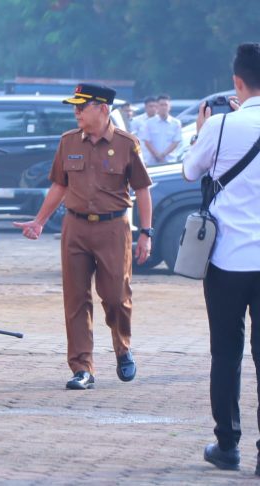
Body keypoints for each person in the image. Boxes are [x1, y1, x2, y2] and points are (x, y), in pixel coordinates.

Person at [13, 83, 153, 390]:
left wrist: (145, 233)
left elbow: (142, 189)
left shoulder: (127, 144)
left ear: (103, 109)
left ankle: (123, 348)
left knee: (116, 297)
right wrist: (39, 221)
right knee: (75, 299)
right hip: (75, 228)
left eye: (81, 106)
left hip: (113, 228)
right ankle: (82, 368)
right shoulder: (68, 142)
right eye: (74, 106)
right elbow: (59, 186)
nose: (75, 112)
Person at [182, 43, 260, 475]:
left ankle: (227, 445)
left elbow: (190, 172)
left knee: (226, 353)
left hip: (228, 258)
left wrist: (202, 131)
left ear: (237, 82)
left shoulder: (222, 126)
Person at [139, 94, 182, 165]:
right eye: (161, 105)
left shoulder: (176, 123)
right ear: (157, 107)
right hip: (152, 162)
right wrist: (157, 155)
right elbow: (147, 142)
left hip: (169, 161)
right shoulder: (149, 123)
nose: (164, 107)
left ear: (169, 107)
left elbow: (176, 142)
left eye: (166, 105)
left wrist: (163, 155)